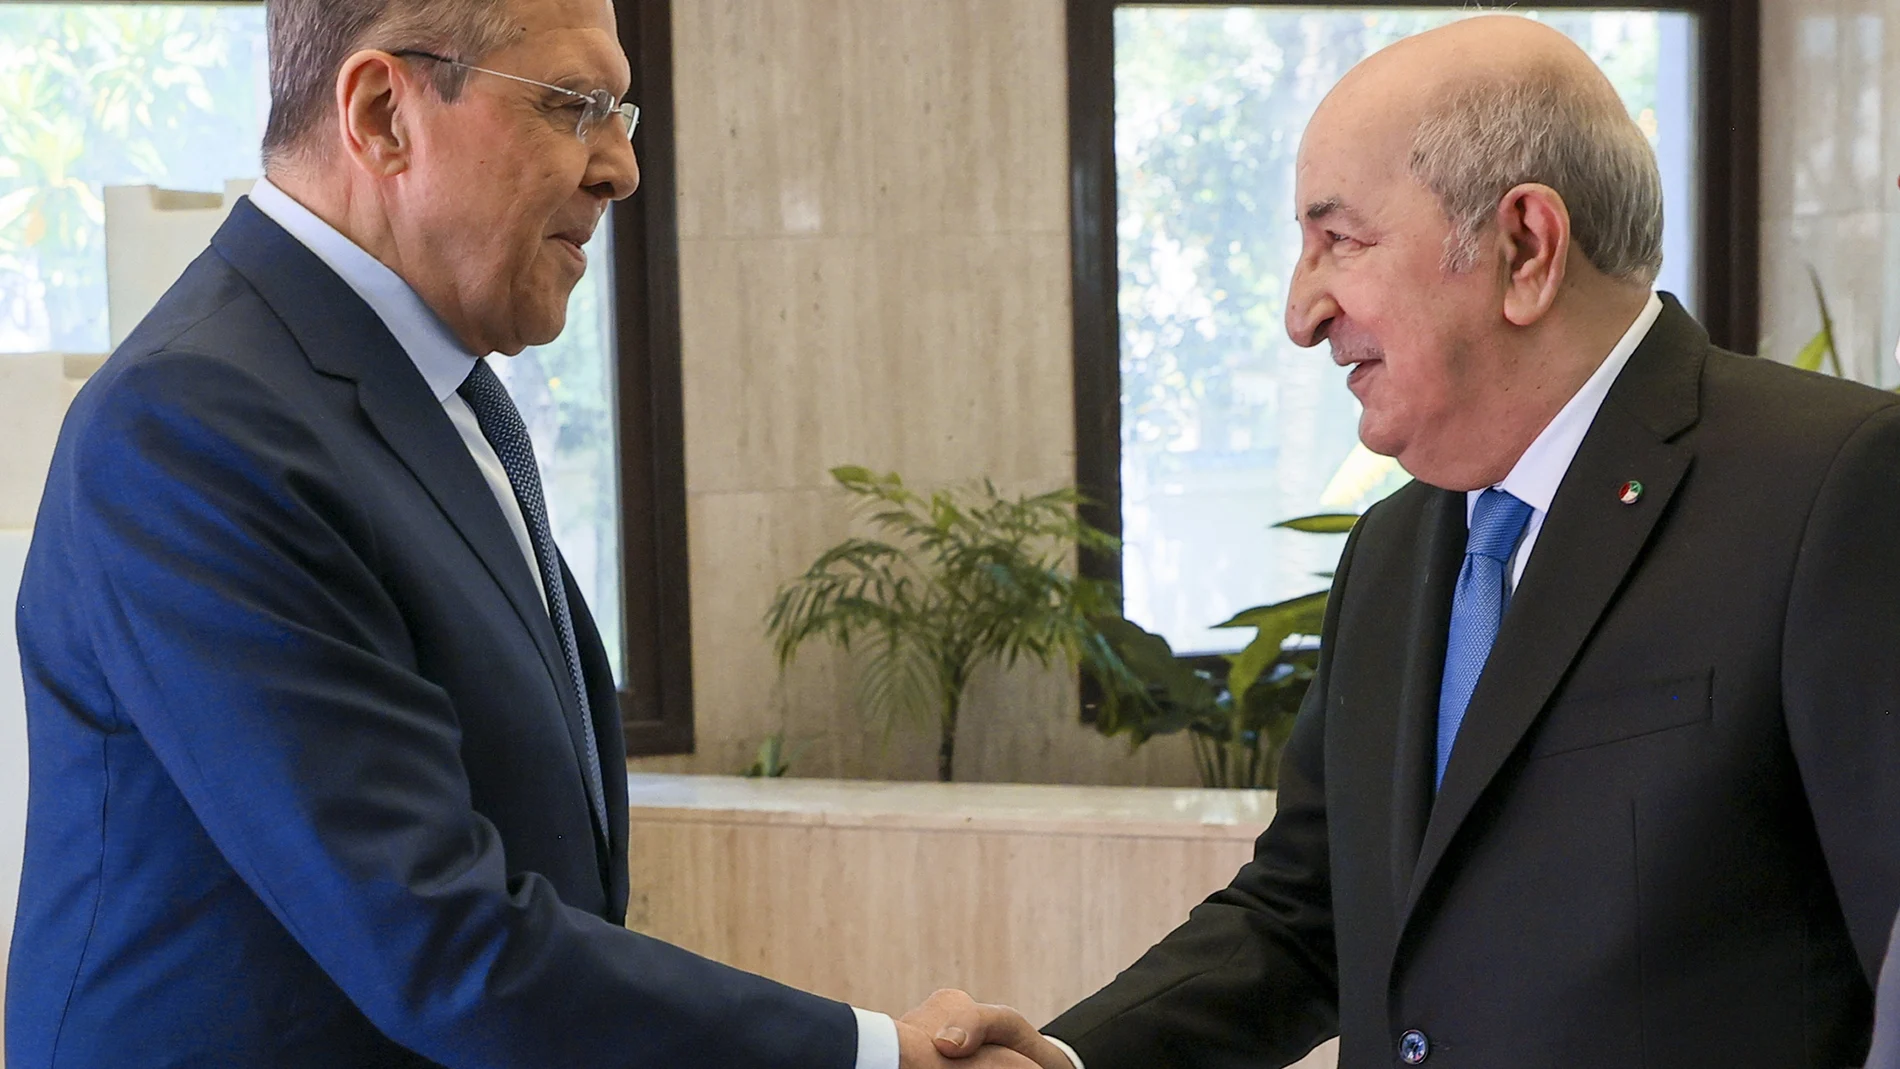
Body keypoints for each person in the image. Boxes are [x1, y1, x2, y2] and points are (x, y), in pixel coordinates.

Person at [4, 1, 1034, 1065]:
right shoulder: (197, 421)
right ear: (381, 115)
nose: (621, 167)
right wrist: (879, 1056)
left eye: (618, 111)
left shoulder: (428, 395)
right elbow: (439, 936)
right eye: (575, 107)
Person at [921, 14, 1900, 1069]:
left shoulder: (1833, 488)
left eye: (1338, 240)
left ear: (1524, 246)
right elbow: (1306, 918)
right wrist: (1067, 1060)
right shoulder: (1392, 549)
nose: (1299, 312)